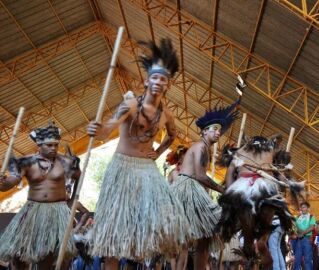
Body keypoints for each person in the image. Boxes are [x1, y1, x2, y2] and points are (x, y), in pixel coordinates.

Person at [86, 38, 189, 269]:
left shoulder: (167, 115)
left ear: (167, 85)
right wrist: (96, 128)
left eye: (163, 78)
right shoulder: (131, 105)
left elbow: (172, 136)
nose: (158, 82)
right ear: (146, 80)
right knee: (114, 231)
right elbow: (107, 130)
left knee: (165, 221)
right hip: (122, 166)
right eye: (155, 77)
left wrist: (159, 152)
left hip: (147, 170)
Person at [172, 96, 241, 270]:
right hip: (188, 189)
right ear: (204, 131)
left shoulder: (202, 147)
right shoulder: (201, 147)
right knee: (202, 235)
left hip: (190, 189)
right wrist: (221, 189)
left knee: (201, 237)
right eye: (213, 129)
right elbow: (201, 177)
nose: (218, 133)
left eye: (219, 130)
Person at [0, 122, 80, 270]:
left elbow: (78, 176)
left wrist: (72, 201)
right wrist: (3, 183)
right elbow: (11, 182)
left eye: (56, 145)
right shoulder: (25, 162)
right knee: (22, 254)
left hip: (58, 211)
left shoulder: (65, 161)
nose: (54, 148)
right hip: (33, 211)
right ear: (39, 145)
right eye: (49, 145)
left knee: (55, 254)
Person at [217, 134, 300, 268]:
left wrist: (229, 193)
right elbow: (279, 172)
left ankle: (248, 241)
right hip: (265, 186)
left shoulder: (241, 151)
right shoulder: (270, 149)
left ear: (250, 143)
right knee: (274, 211)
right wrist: (288, 183)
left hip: (244, 185)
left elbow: (230, 171)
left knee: (230, 216)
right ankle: (262, 240)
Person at [293, 202, 316, 270]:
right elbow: (295, 227)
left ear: (308, 208)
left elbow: (311, 227)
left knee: (307, 259)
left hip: (307, 239)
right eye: (301, 207)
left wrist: (302, 233)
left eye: (304, 207)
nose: (302, 209)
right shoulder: (297, 217)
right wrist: (298, 232)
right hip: (299, 239)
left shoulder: (311, 216)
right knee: (297, 259)